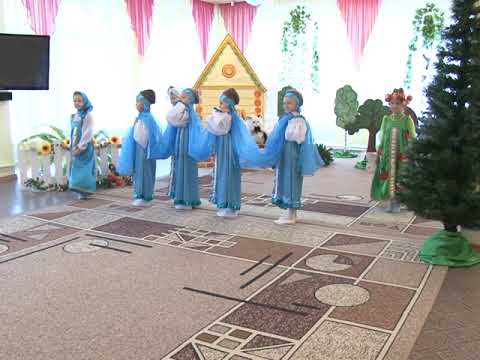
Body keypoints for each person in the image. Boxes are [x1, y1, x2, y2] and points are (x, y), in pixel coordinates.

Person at [197, 88, 244, 217]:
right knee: (223, 173)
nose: (219, 105)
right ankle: (226, 204)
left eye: (222, 103)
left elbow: (218, 129)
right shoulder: (227, 116)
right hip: (223, 148)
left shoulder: (228, 117)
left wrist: (214, 116)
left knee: (227, 174)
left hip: (228, 149)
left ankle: (230, 206)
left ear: (229, 104)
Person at [371, 88, 416, 213]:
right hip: (388, 153)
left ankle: (398, 202)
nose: (394, 106)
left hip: (402, 154)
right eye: (392, 103)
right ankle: (391, 200)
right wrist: (379, 149)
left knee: (400, 176)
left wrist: (411, 149)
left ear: (403, 104)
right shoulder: (386, 119)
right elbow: (383, 134)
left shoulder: (407, 120)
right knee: (389, 176)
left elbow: (412, 136)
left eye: (397, 103)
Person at [157, 88, 201, 210]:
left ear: (190, 99)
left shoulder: (188, 113)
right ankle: (184, 197)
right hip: (181, 142)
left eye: (184, 97)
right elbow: (172, 119)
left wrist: (179, 105)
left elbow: (171, 118)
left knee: (186, 168)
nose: (181, 99)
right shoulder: (186, 111)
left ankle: (186, 199)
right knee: (181, 167)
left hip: (186, 144)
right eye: (181, 97)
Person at [118, 89, 162, 206]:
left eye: (138, 101)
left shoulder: (147, 119)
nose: (136, 104)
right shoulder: (141, 118)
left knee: (144, 171)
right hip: (140, 149)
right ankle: (140, 193)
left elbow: (143, 136)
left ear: (145, 103)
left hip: (144, 150)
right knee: (139, 172)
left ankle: (144, 195)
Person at [69, 91, 96, 200]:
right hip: (76, 145)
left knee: (85, 169)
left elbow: (87, 133)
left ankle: (86, 190)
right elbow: (73, 132)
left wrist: (81, 146)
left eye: (79, 101)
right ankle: (80, 190)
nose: (77, 103)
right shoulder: (75, 115)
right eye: (75, 101)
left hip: (84, 147)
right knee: (77, 168)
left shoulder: (87, 116)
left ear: (85, 101)